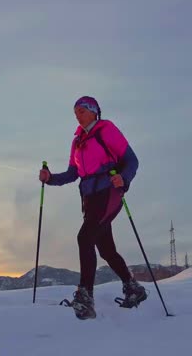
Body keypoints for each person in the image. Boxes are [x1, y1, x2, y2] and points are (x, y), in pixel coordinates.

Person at [39, 96, 147, 319]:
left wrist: (124, 179)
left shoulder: (106, 129)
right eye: (75, 112)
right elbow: (72, 173)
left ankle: (85, 297)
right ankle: (133, 287)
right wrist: (50, 178)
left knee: (85, 237)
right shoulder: (77, 141)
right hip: (89, 197)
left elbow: (132, 160)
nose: (77, 115)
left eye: (81, 110)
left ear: (93, 111)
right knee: (105, 249)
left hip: (108, 191)